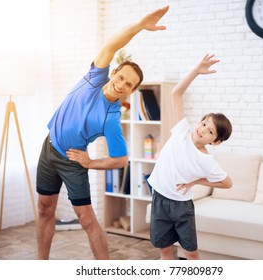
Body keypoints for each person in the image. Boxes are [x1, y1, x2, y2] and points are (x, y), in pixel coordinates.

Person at [36, 6, 169, 260]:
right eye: (122, 77)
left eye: (129, 85)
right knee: (44, 208)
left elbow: (121, 160)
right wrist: (140, 25)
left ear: (130, 92)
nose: (122, 84)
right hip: (48, 149)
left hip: (72, 161)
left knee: (86, 218)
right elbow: (112, 44)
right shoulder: (94, 78)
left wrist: (90, 162)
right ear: (115, 72)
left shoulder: (111, 118)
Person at [148, 54, 233, 260]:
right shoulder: (182, 132)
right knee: (165, 250)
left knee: (191, 253)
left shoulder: (207, 160)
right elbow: (176, 93)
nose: (203, 130)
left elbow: (227, 183)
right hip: (159, 198)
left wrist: (196, 181)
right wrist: (196, 71)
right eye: (204, 123)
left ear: (215, 142)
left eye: (210, 132)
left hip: (181, 206)